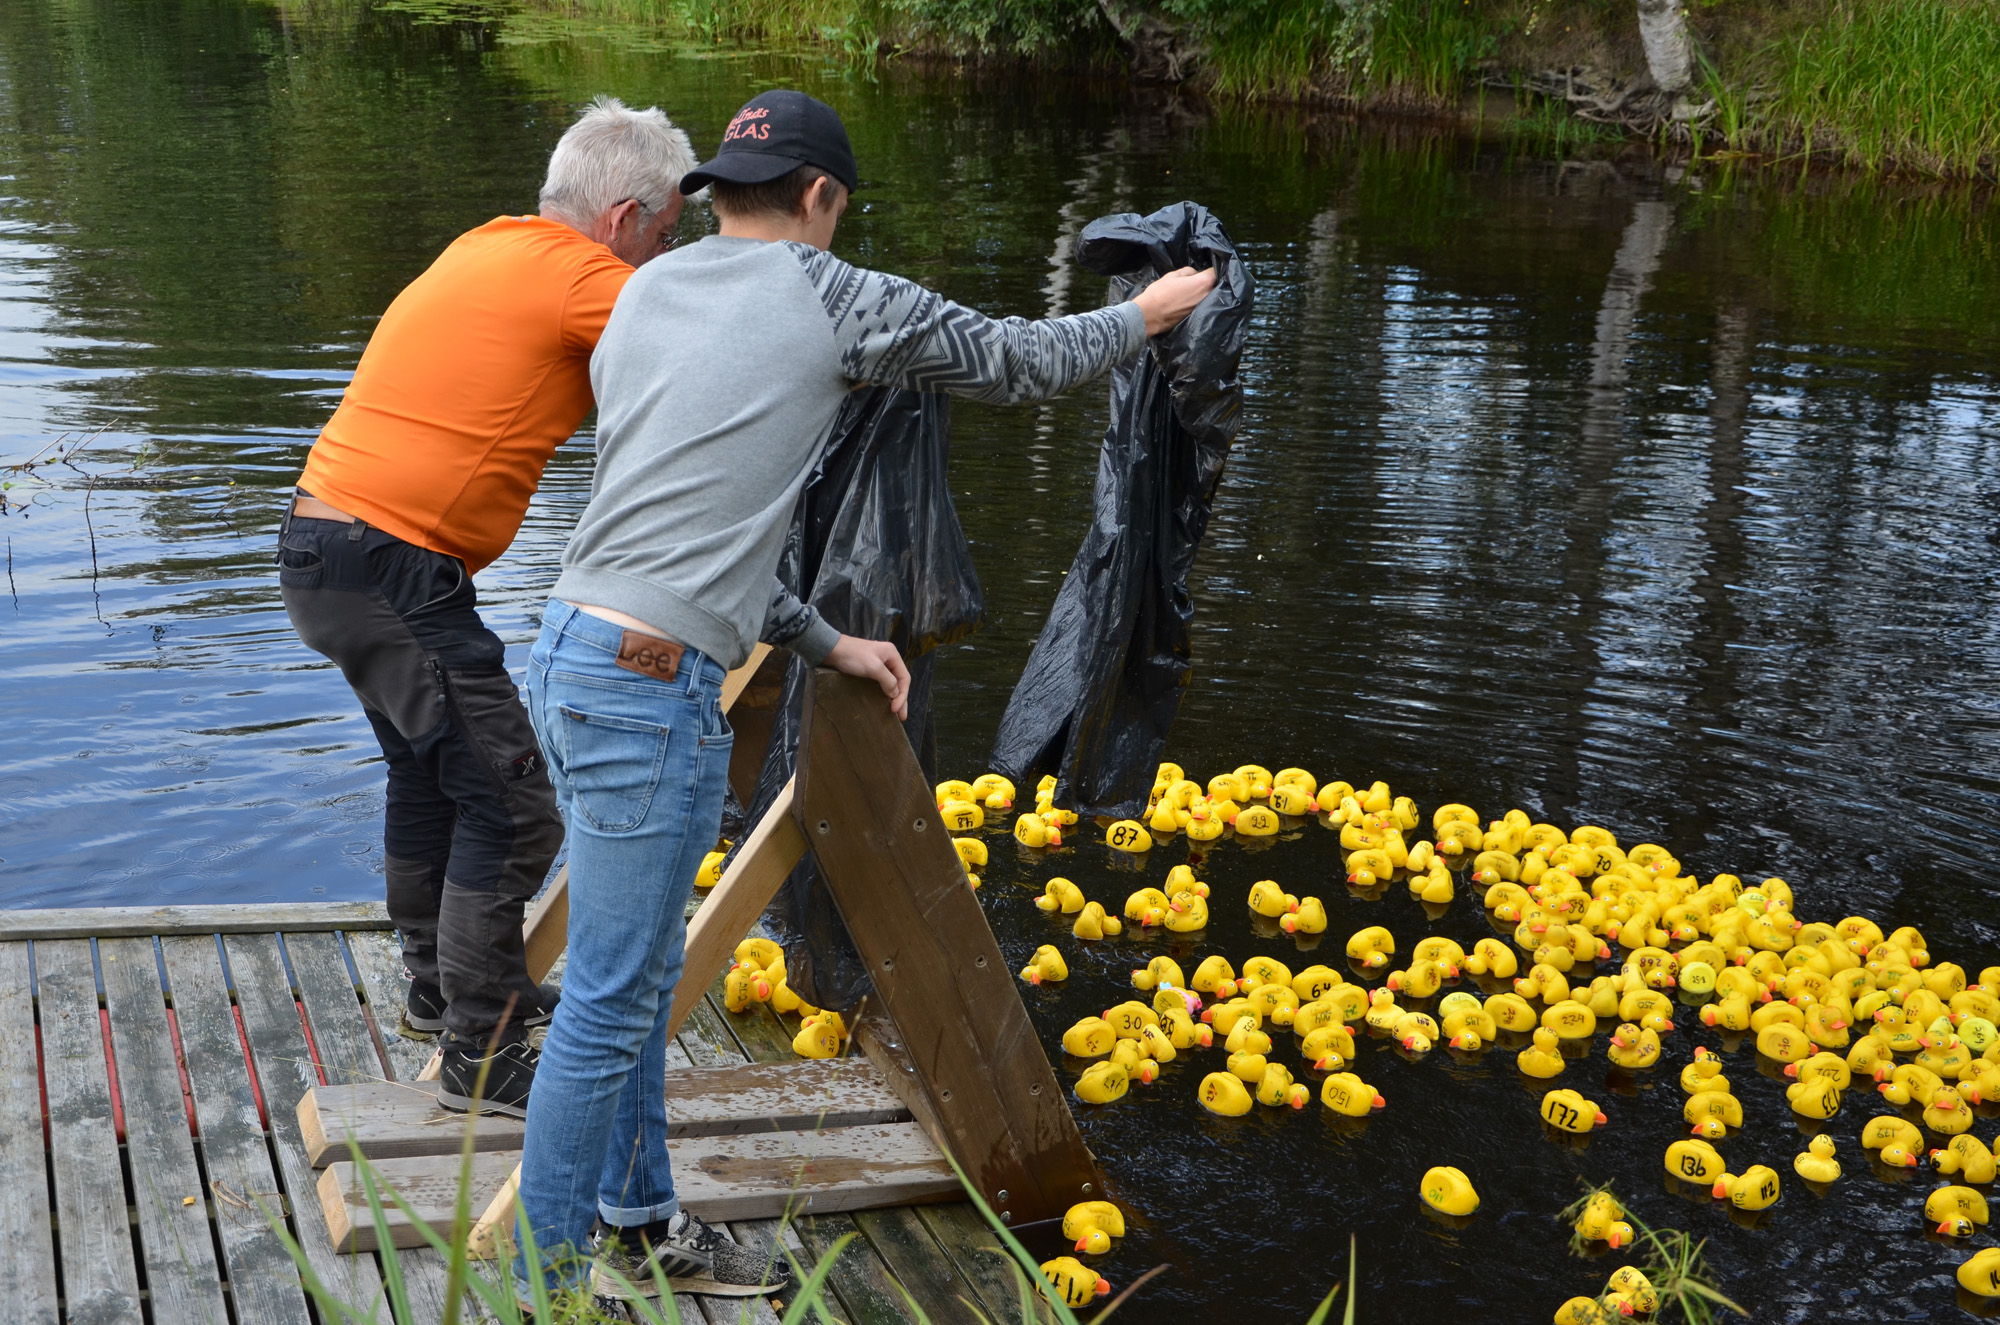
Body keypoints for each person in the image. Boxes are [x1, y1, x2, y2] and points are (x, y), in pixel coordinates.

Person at [515, 89, 1217, 1303]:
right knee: (610, 999)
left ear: (713, 193)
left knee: (622, 976)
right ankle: (541, 1278)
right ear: (822, 197)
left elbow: (687, 525)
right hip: (646, 684)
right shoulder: (831, 293)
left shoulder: (641, 294)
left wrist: (825, 637)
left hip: (574, 648)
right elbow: (1012, 359)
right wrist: (1143, 312)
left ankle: (639, 1218)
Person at [277, 97, 696, 1118]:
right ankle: (483, 1045)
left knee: (436, 778)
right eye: (669, 236)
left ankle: (441, 986)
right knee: (512, 805)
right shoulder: (587, 276)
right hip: (389, 561)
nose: (663, 259)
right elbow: (711, 355)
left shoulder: (487, 245)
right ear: (624, 219)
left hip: (320, 546)